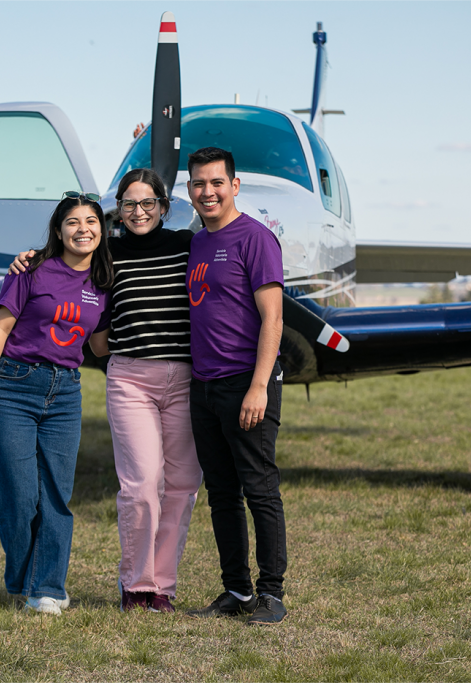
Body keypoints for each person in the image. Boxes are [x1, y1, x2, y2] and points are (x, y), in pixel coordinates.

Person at [11, 169, 204, 614]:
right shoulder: (106, 255)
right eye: (130, 205)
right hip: (130, 378)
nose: (139, 212)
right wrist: (28, 258)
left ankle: (163, 588)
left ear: (164, 206)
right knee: (140, 486)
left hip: (185, 379)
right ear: (119, 209)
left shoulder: (186, 247)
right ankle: (136, 586)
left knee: (181, 486)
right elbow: (63, 270)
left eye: (148, 204)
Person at [0, 192, 113, 616]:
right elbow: (0, 329)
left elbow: (100, 346)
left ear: (101, 231)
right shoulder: (31, 268)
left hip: (65, 391)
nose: (83, 229)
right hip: (12, 384)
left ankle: (46, 588)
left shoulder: (103, 284)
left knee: (55, 495)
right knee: (19, 495)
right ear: (58, 230)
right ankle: (26, 573)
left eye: (91, 221)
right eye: (73, 222)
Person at [182, 147, 288, 626]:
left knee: (259, 487)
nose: (208, 192)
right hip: (202, 386)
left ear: (235, 185)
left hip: (246, 383)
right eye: (199, 184)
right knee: (222, 493)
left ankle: (271, 593)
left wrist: (259, 386)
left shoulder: (256, 239)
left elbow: (273, 318)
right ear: (189, 190)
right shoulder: (196, 242)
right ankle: (236, 589)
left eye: (216, 183)